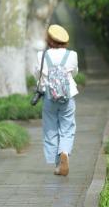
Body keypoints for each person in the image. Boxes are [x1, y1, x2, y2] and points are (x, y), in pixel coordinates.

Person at [35, 24, 78, 176]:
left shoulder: (42, 55)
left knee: (51, 129)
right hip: (68, 96)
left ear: (49, 39)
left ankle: (58, 165)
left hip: (49, 96)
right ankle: (65, 153)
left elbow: (38, 76)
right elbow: (75, 73)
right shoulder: (72, 55)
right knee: (67, 127)